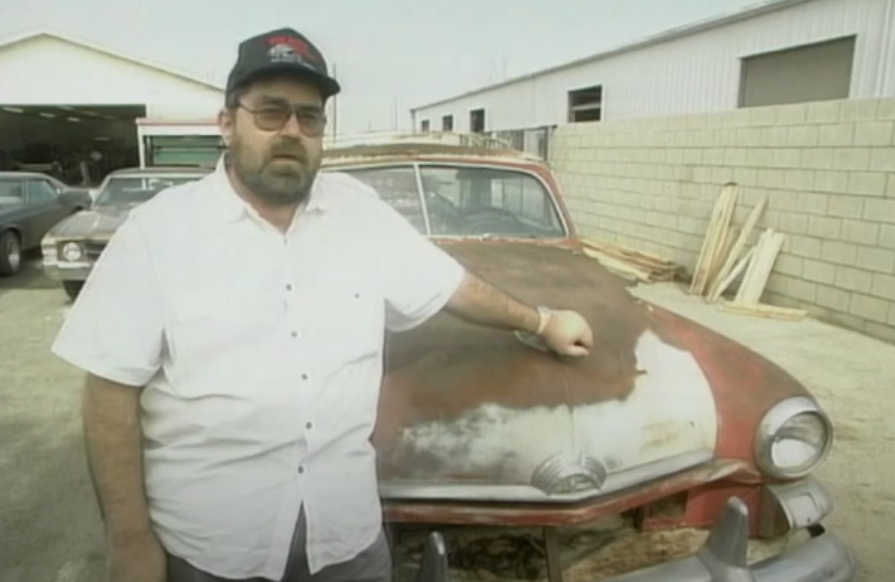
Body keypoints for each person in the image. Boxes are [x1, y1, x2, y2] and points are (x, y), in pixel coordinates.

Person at [51, 27, 595, 582]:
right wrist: (129, 540)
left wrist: (542, 321)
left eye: (309, 118)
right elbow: (109, 395)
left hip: (346, 544)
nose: (292, 131)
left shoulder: (361, 215)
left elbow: (451, 285)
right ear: (226, 123)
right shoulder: (158, 233)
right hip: (212, 551)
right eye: (271, 112)